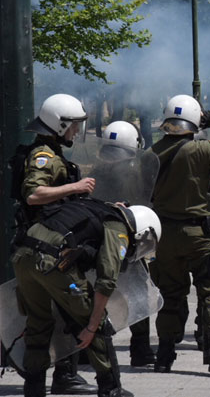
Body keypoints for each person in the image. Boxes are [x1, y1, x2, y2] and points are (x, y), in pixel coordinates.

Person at [12, 198, 161, 397]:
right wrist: (92, 325)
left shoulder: (97, 208)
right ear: (141, 230)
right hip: (52, 260)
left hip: (22, 256)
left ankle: (33, 388)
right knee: (96, 321)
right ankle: (111, 389)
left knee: (38, 322)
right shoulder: (118, 227)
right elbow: (107, 278)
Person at [149, 94, 210, 376]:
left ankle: (164, 356)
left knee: (170, 295)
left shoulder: (151, 153)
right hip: (197, 235)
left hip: (164, 236)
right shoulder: (201, 149)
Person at [13, 94, 98, 395]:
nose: (76, 131)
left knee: (49, 317)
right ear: (59, 125)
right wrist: (75, 186)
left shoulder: (52, 152)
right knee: (68, 312)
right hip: (45, 246)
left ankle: (47, 380)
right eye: (73, 126)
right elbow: (33, 194)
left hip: (48, 242)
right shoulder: (44, 156)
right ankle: (64, 376)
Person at [93, 121, 157, 368]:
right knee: (138, 292)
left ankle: (91, 347)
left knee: (96, 290)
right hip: (128, 240)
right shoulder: (134, 172)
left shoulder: (97, 170)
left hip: (100, 239)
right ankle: (140, 348)